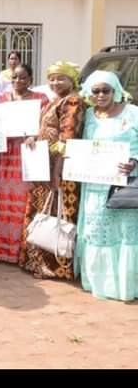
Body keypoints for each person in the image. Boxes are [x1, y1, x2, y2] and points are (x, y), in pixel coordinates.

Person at [74, 71, 138, 301]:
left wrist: (134, 161)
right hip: (94, 186)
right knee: (96, 230)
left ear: (116, 91)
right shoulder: (89, 115)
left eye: (106, 90)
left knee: (124, 232)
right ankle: (99, 283)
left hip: (125, 185)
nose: (100, 95)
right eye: (96, 91)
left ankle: (126, 286)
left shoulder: (133, 113)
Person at [20, 61, 86, 279]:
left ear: (72, 80)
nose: (55, 82)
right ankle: (37, 261)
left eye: (61, 78)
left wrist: (57, 172)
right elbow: (47, 130)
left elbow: (67, 138)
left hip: (57, 168)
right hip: (42, 165)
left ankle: (54, 265)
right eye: (52, 78)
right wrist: (34, 138)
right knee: (42, 214)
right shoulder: (56, 100)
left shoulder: (73, 101)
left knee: (55, 217)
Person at [0, 64, 49, 263]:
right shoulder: (2, 99)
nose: (18, 81)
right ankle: (2, 250)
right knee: (4, 202)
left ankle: (22, 252)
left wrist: (35, 136)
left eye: (23, 78)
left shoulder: (41, 100)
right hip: (6, 157)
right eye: (15, 77)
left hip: (28, 155)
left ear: (30, 79)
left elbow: (47, 126)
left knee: (25, 202)